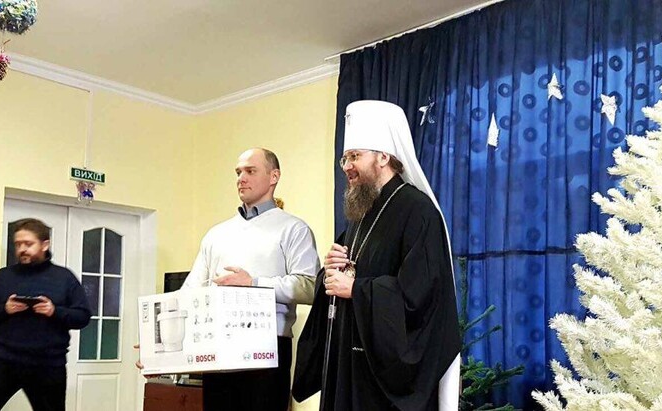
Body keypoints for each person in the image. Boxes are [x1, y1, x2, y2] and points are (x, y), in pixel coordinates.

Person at [293, 100, 461, 411]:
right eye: (345, 158)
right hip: (349, 366)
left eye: (355, 156)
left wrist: (356, 289)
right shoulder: (361, 213)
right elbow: (344, 281)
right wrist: (331, 271)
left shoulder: (418, 211)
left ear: (383, 157)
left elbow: (421, 297)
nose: (346, 166)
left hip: (384, 382)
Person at [182, 148, 320, 410]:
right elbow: (190, 293)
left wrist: (254, 283)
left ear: (274, 176)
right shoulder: (216, 234)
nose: (241, 178)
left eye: (250, 171)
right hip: (217, 348)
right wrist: (158, 348)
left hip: (267, 350)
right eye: (238, 172)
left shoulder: (294, 229)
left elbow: (311, 287)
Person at [0, 218, 92, 411]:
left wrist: (54, 311)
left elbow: (83, 317)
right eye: (18, 244)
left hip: (48, 364)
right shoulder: (3, 276)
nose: (22, 249)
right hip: (3, 361)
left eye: (28, 244)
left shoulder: (64, 278)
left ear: (45, 245)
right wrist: (4, 309)